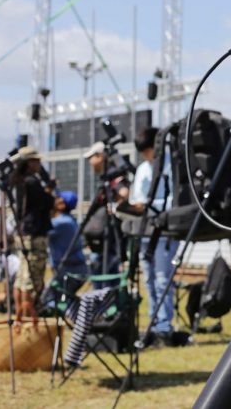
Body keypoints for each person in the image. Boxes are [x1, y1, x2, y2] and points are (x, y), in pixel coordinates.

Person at [129, 126, 178, 346]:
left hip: (164, 229)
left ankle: (164, 326)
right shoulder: (142, 170)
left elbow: (173, 201)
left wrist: (149, 205)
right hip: (145, 228)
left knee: (162, 279)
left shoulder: (171, 166)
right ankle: (152, 323)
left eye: (146, 150)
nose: (145, 156)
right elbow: (136, 196)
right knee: (148, 279)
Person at [10, 146, 55, 319]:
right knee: (32, 277)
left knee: (22, 276)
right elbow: (46, 202)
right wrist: (49, 190)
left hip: (23, 231)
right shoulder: (32, 181)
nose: (39, 164)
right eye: (36, 161)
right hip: (34, 233)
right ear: (29, 163)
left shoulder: (18, 181)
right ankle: (29, 315)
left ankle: (19, 315)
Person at [83, 140, 129, 288]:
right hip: (101, 237)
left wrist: (115, 206)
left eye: (92, 158)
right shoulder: (105, 178)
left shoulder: (113, 176)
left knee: (106, 271)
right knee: (102, 269)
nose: (90, 162)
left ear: (100, 156)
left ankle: (104, 301)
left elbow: (124, 193)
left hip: (110, 235)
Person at [47, 190, 89, 294]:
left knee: (51, 299)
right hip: (76, 268)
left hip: (68, 270)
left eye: (58, 199)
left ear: (63, 205)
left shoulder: (61, 223)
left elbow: (41, 231)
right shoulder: (70, 220)